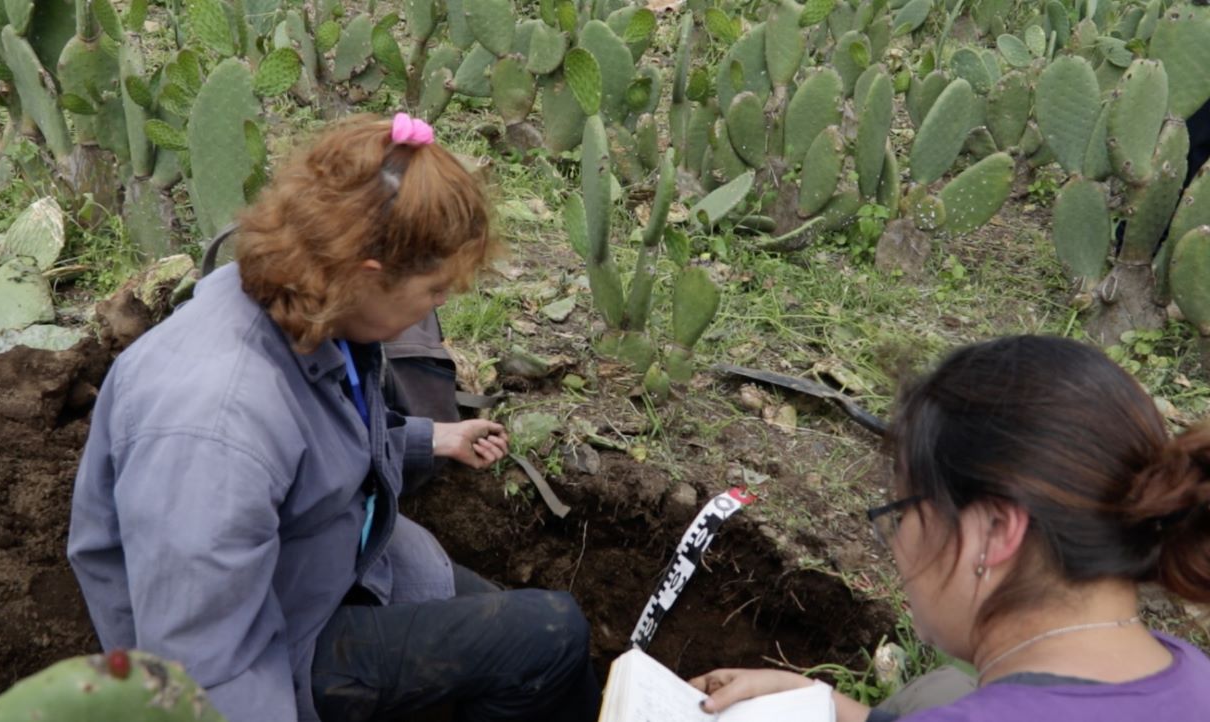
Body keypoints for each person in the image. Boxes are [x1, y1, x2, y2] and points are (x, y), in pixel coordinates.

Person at [68, 113, 600, 722]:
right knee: (550, 635)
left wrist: (428, 441)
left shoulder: (313, 311)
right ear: (367, 275)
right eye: (434, 290)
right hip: (275, 648)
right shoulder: (215, 426)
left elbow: (315, 443)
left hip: (325, 564)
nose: (442, 303)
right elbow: (202, 673)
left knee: (532, 637)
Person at [690, 335, 1210, 721]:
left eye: (902, 512)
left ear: (994, 529)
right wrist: (827, 707)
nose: (896, 543)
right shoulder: (1190, 673)